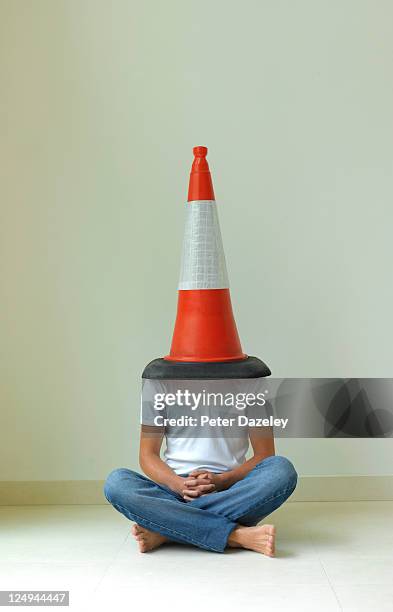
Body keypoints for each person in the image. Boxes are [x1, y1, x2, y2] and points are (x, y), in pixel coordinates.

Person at [104, 420, 297, 556]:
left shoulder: (253, 382)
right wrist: (178, 484)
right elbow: (147, 455)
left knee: (281, 470)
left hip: (230, 491)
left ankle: (167, 530)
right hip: (173, 490)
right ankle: (236, 536)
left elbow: (265, 453)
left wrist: (221, 480)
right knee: (117, 482)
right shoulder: (158, 382)